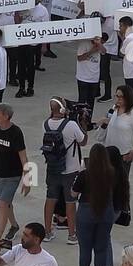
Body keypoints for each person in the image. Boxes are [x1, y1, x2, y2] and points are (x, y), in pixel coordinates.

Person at [68, 143, 125, 266]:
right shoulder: (112, 173)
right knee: (101, 248)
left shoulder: (84, 174)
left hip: (86, 212)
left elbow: (73, 194)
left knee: (85, 248)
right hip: (106, 212)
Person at [40, 98, 85, 244]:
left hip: (52, 168)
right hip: (70, 170)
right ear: (62, 110)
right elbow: (83, 141)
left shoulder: (45, 124)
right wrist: (82, 124)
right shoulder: (71, 125)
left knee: (50, 198)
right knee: (70, 201)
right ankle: (72, 235)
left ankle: (47, 232)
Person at [0, 103, 29, 244]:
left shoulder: (16, 132)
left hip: (12, 176)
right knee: (6, 203)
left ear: (6, 116)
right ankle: (14, 225)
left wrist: (29, 179)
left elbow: (23, 156)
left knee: (2, 205)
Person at [100, 84, 133, 172]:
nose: (118, 99)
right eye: (116, 96)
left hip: (123, 155)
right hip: (109, 152)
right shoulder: (114, 109)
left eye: (121, 97)